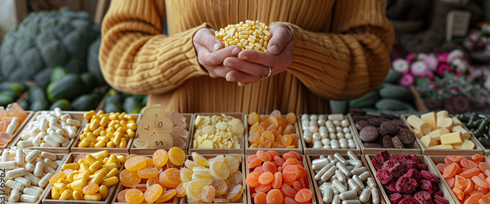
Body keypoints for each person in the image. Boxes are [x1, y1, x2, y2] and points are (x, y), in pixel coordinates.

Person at [99, 0, 394, 114]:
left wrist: (300, 51)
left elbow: (371, 60)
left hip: (293, 161)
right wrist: (188, 52)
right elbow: (118, 56)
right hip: (179, 151)